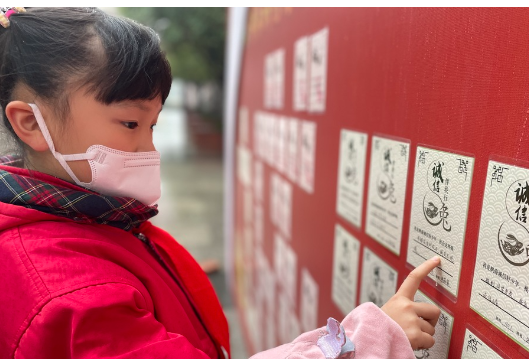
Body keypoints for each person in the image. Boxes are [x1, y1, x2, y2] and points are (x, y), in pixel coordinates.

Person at [0, 7, 441, 359]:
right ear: (30, 123)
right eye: (130, 122)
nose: (148, 148)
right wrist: (367, 342)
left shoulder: (88, 213)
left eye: (152, 126)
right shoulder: (66, 295)